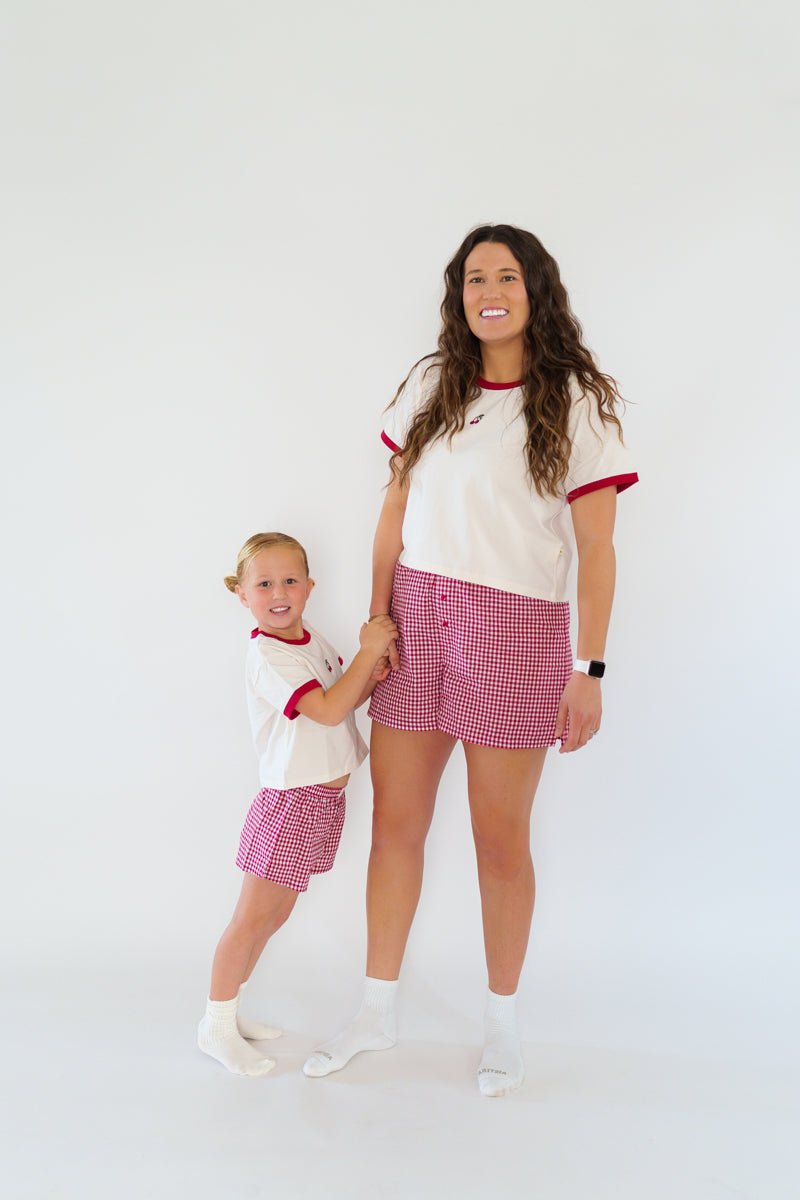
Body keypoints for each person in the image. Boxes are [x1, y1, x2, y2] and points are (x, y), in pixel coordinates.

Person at [303, 224, 638, 1096]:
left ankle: (502, 1026)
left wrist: (590, 671)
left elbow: (597, 550)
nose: (490, 291)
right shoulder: (431, 386)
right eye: (475, 278)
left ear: (537, 290)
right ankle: (375, 1010)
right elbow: (393, 515)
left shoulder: (576, 404)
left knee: (500, 840)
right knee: (396, 827)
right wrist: (377, 622)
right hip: (417, 620)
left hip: (517, 632)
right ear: (459, 296)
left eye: (507, 276)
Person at [197, 531, 397, 1076]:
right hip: (291, 804)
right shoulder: (268, 655)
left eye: (289, 580)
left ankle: (230, 1009)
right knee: (252, 918)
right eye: (264, 584)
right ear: (242, 594)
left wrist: (369, 676)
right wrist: (369, 650)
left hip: (321, 804)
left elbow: (339, 698)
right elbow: (327, 711)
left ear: (310, 587)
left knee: (276, 915)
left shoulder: (310, 640)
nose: (279, 593)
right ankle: (215, 1025)